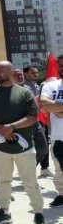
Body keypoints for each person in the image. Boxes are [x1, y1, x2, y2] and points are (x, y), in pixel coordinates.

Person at [0, 61, 47, 224]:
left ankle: (39, 214)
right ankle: (4, 211)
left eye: (0, 70)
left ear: (11, 72)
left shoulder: (25, 93)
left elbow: (32, 117)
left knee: (30, 182)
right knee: (2, 181)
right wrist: (1, 129)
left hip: (24, 149)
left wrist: (11, 127)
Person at [38, 72, 63, 212]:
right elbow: (44, 104)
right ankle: (62, 194)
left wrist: (56, 108)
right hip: (58, 137)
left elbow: (50, 106)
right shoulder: (51, 86)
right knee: (59, 169)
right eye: (61, 65)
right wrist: (50, 107)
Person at [23, 65, 50, 175]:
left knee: (45, 143)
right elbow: (32, 102)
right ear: (26, 74)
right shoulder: (24, 87)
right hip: (31, 120)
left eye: (36, 73)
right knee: (39, 147)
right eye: (33, 73)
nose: (36, 75)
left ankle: (44, 168)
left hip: (42, 117)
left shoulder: (37, 86)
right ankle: (29, 169)